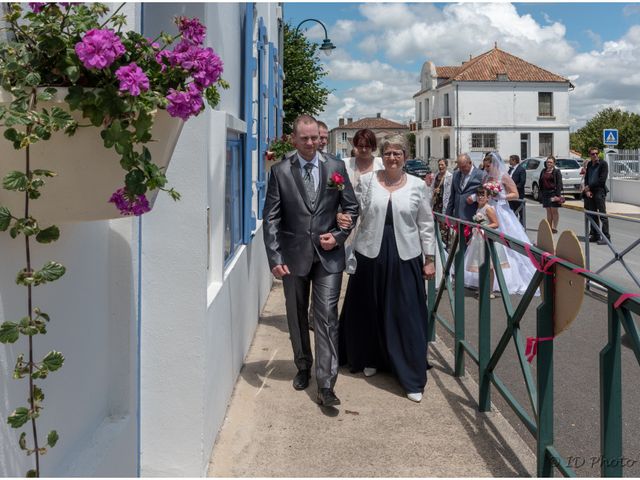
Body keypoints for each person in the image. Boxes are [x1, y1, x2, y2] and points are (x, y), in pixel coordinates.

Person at [262, 114, 359, 407]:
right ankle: (303, 365)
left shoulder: (336, 167)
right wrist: (275, 256)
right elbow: (271, 217)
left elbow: (351, 207)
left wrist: (340, 235)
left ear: (320, 137)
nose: (309, 143)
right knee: (296, 314)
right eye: (303, 138)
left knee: (327, 317)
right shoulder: (280, 171)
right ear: (294, 139)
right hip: (293, 256)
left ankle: (326, 384)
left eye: (314, 138)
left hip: (328, 257)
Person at [339, 135, 436, 403]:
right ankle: (372, 357)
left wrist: (430, 259)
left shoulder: (417, 185)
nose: (393, 158)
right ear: (383, 156)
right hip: (370, 253)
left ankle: (410, 374)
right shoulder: (369, 181)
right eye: (389, 153)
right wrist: (342, 218)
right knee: (370, 307)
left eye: (398, 153)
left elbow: (426, 224)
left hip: (406, 255)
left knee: (405, 312)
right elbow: (354, 210)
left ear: (405, 156)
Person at [479, 152, 538, 295]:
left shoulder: (503, 176)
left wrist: (502, 195)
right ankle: (486, 276)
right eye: (485, 167)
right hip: (489, 210)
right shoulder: (486, 177)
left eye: (488, 166)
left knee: (506, 242)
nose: (486, 169)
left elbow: (516, 194)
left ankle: (507, 277)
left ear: (494, 164)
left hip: (502, 210)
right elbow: (482, 192)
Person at [464, 186, 510, 297]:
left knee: (489, 267)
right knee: (481, 264)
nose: (480, 197)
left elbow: (496, 224)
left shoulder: (488, 208)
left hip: (487, 240)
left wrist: (483, 227)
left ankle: (489, 291)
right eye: (479, 195)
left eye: (482, 195)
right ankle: (482, 287)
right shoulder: (479, 208)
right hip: (479, 240)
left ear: (488, 197)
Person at [445, 153, 485, 221]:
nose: (461, 170)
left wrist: (475, 197)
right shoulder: (456, 174)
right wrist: (447, 216)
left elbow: (486, 193)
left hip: (472, 217)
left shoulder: (480, 175)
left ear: (470, 163)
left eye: (463, 167)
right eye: (459, 167)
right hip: (457, 218)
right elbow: (452, 197)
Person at [583, 147, 611, 245]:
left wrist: (589, 187)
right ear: (590, 155)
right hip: (590, 192)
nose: (594, 155)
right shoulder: (590, 164)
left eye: (596, 153)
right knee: (593, 214)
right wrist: (587, 190)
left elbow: (602, 180)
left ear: (598, 154)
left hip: (599, 191)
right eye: (592, 154)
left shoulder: (603, 164)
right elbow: (587, 178)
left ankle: (606, 237)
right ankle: (595, 235)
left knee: (602, 215)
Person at [430, 158, 453, 247]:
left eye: (442, 165)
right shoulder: (436, 176)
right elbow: (431, 189)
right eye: (439, 165)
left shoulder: (450, 177)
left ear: (446, 166)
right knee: (435, 227)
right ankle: (437, 248)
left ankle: (445, 248)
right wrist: (434, 192)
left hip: (444, 205)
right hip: (436, 205)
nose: (440, 167)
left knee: (444, 227)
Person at [538, 155, 563, 233]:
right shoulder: (543, 171)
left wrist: (557, 196)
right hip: (545, 193)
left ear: (554, 163)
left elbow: (559, 184)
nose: (549, 163)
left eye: (550, 162)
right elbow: (540, 181)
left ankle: (554, 227)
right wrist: (541, 192)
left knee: (554, 211)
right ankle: (549, 227)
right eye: (547, 162)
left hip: (553, 193)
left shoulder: (556, 172)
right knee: (548, 211)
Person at [508, 154, 526, 224]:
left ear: (514, 160)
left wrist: (513, 188)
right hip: (510, 195)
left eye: (510, 160)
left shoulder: (521, 169)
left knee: (521, 212)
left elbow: (522, 182)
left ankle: (522, 227)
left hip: (518, 194)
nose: (509, 161)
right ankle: (514, 226)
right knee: (512, 212)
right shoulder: (510, 170)